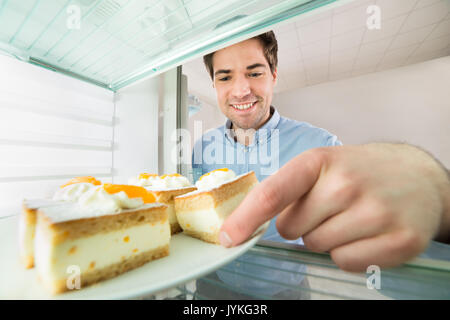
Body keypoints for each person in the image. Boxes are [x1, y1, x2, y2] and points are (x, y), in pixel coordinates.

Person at [191, 31, 450, 297]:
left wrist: (441, 206)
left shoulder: (320, 144)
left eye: (254, 73)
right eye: (225, 77)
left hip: (285, 291)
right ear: (214, 84)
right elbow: (196, 220)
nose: (241, 90)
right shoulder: (201, 148)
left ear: (274, 76)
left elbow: (377, 233)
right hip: (215, 286)